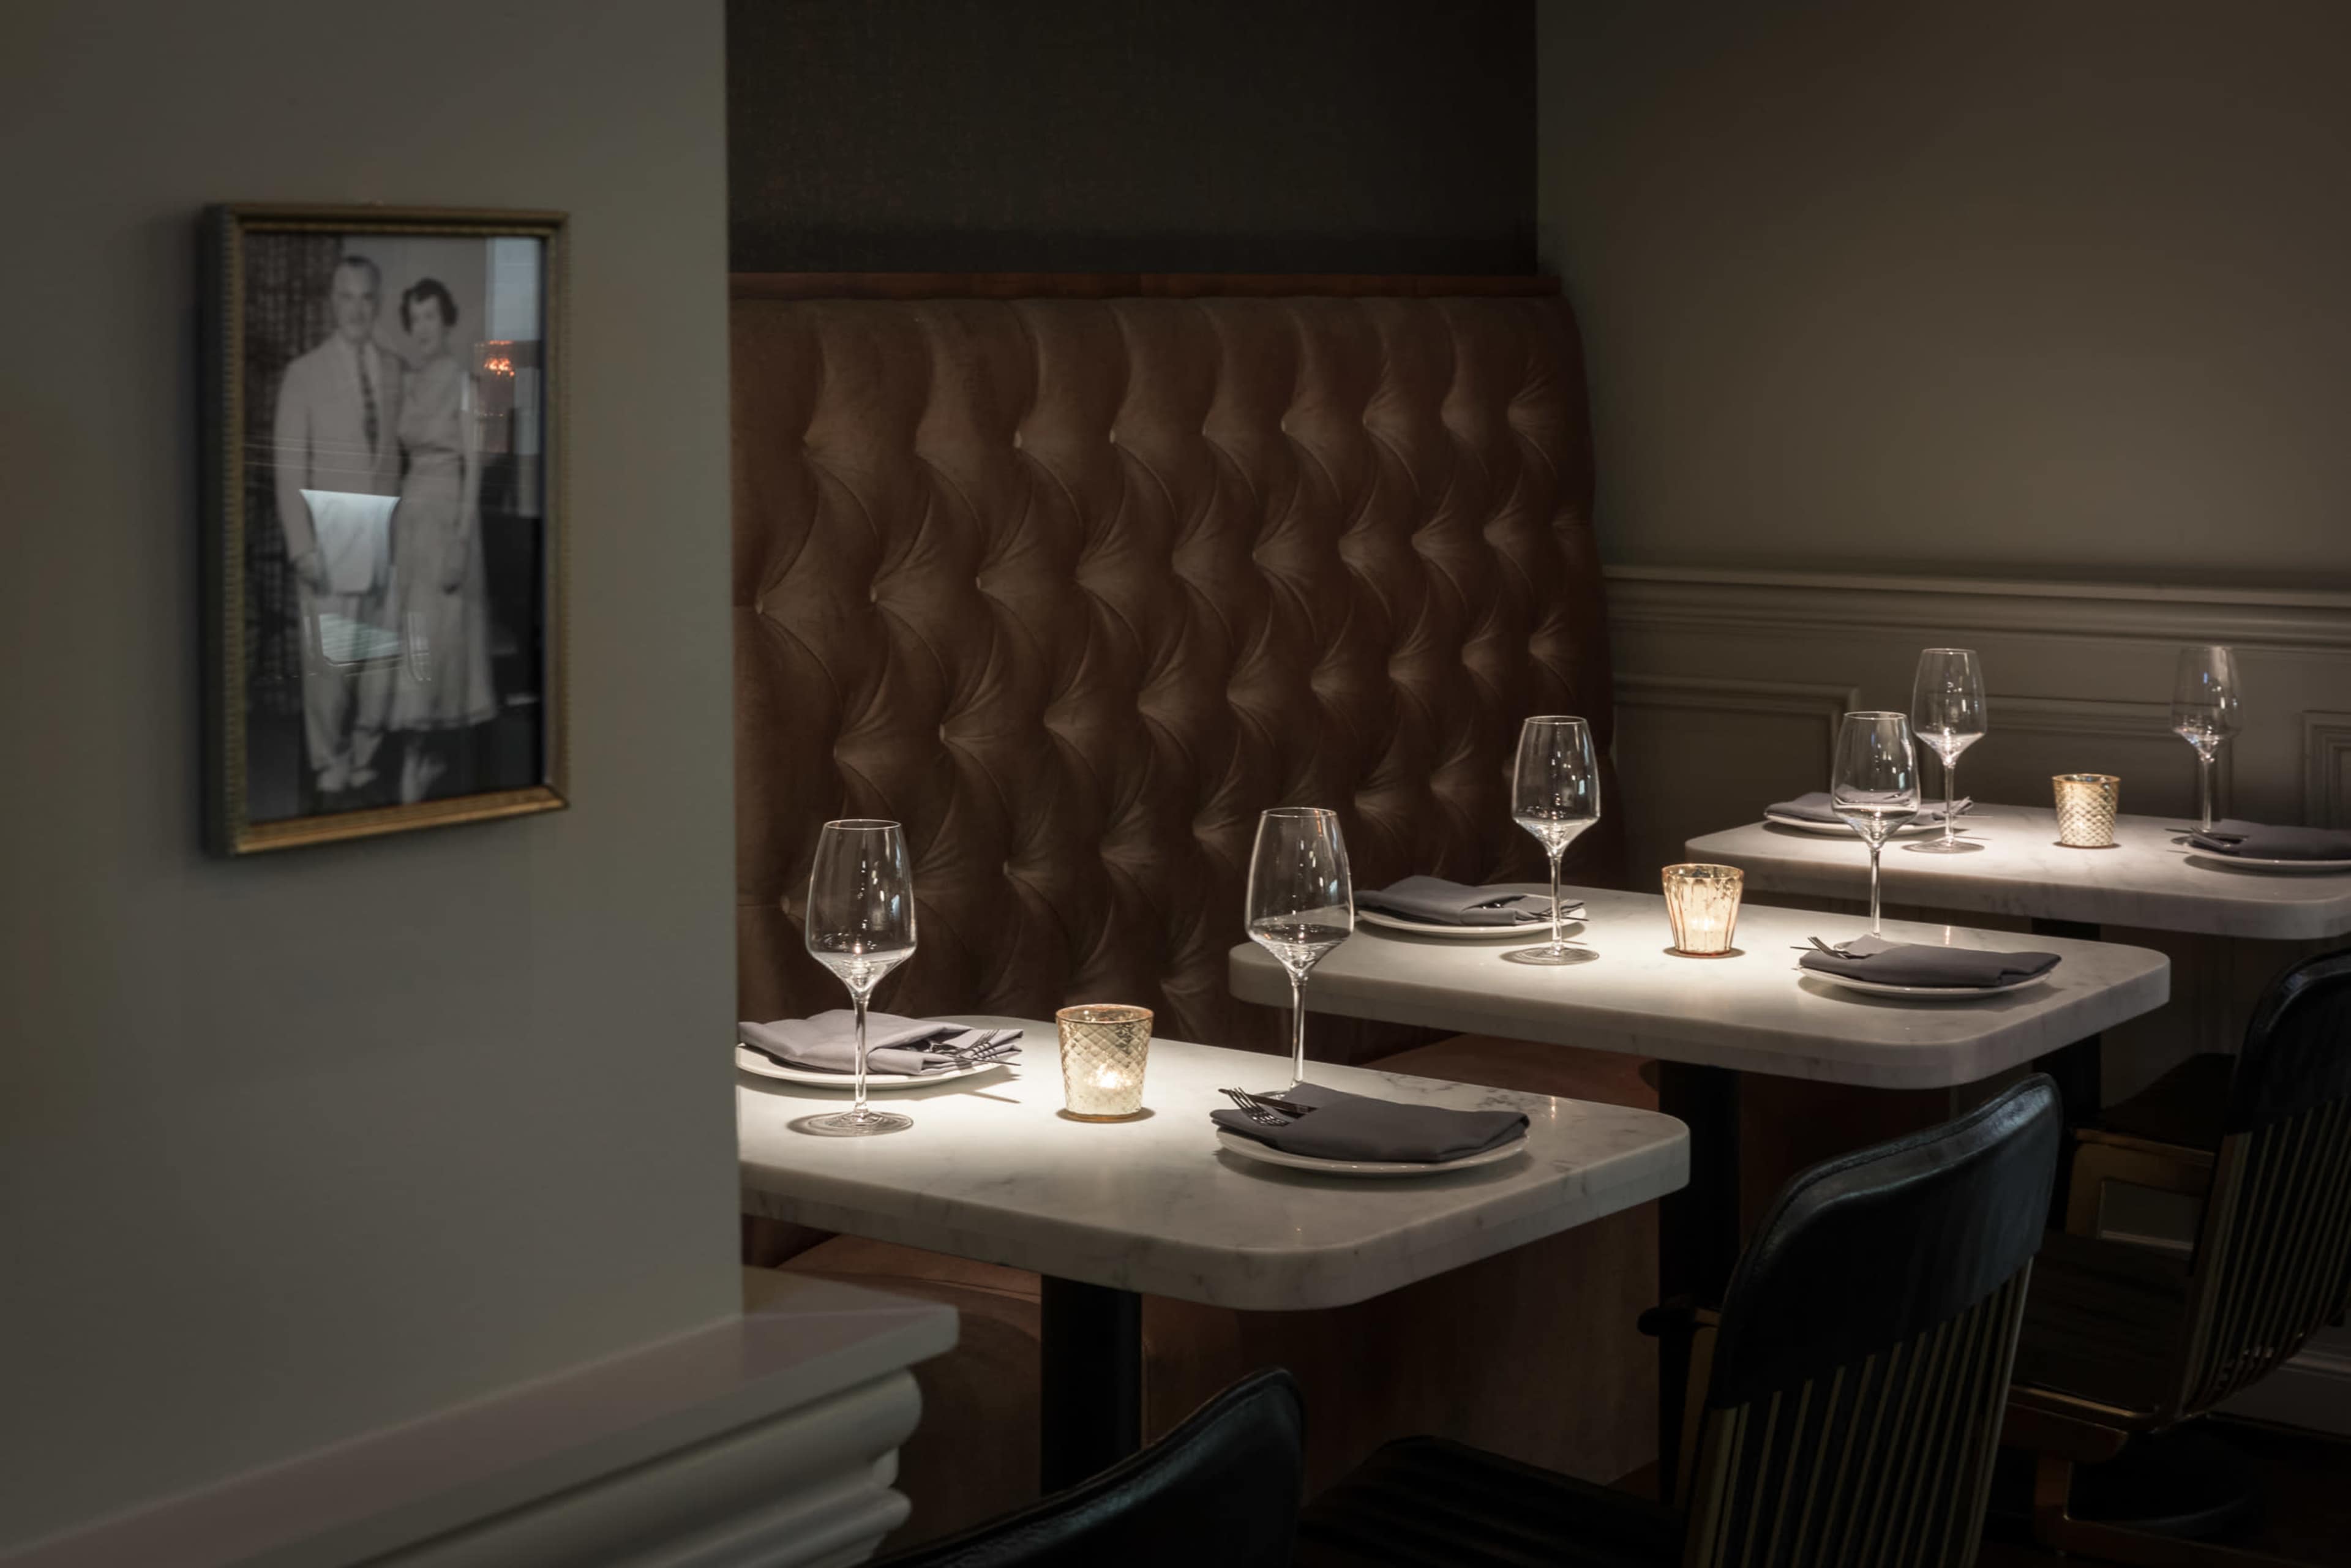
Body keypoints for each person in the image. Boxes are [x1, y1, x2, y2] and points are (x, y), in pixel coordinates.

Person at [271, 255, 402, 799]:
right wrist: (302, 546)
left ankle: (366, 751)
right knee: (328, 667)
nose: (357, 309)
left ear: (378, 302)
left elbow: (399, 457)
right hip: (329, 542)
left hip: (387, 541)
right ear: (332, 303)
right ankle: (328, 760)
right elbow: (286, 467)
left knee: (379, 664)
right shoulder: (304, 373)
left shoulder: (395, 368)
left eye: (367, 297)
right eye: (347, 297)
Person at [386, 277, 496, 802]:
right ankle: (417, 756)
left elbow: (474, 472)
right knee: (411, 639)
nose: (422, 327)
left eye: (431, 316)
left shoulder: (463, 385)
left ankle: (431, 759)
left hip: (449, 520)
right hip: (411, 522)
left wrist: (460, 542)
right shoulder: (410, 383)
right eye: (415, 318)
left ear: (447, 322)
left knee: (440, 643)